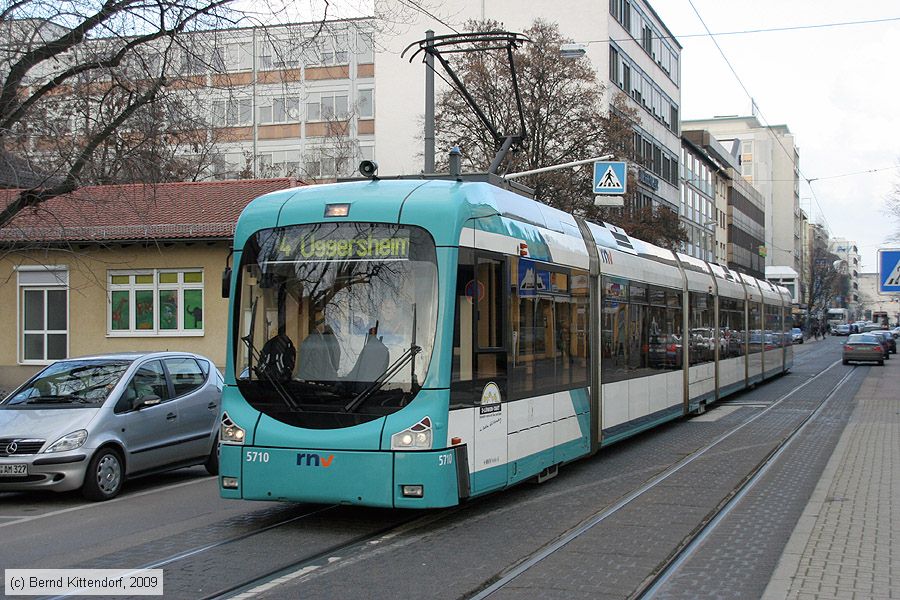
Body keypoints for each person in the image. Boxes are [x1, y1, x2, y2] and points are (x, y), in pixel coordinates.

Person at [347, 325, 390, 391]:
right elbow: (356, 371)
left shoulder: (379, 351)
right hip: (362, 392)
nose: (369, 334)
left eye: (371, 331)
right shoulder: (369, 348)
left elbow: (361, 373)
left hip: (365, 392)